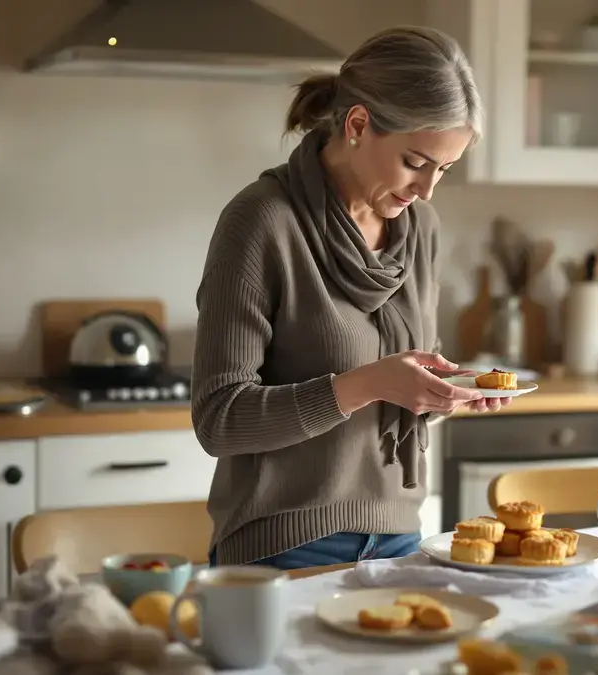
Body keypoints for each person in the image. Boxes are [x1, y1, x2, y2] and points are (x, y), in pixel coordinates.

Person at [191, 26, 508, 570]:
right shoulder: (263, 221)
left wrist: (440, 395)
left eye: (445, 170)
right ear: (358, 124)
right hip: (283, 547)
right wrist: (367, 383)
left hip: (402, 538)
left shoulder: (420, 227)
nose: (427, 189)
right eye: (415, 162)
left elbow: (391, 399)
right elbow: (219, 420)